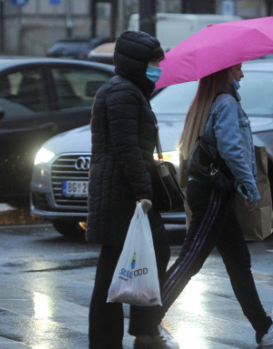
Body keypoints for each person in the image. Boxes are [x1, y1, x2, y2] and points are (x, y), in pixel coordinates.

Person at [157, 63, 273, 345]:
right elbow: (232, 149)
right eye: (238, 70)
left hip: (212, 191)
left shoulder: (209, 101)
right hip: (212, 192)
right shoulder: (226, 102)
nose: (242, 75)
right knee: (191, 259)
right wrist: (250, 188)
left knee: (238, 261)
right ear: (225, 72)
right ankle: (147, 319)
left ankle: (263, 327)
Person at [87, 31, 175, 349]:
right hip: (120, 195)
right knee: (113, 269)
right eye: (152, 62)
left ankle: (144, 331)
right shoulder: (122, 92)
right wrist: (143, 190)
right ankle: (123, 337)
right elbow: (126, 148)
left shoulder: (130, 91)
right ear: (135, 62)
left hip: (122, 192)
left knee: (150, 254)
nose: (156, 67)